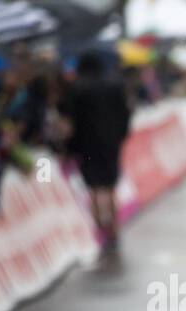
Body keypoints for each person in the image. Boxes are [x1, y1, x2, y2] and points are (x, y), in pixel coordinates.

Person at [62, 51, 131, 254]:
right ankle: (114, 227)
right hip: (111, 143)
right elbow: (125, 114)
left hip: (87, 146)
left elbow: (71, 121)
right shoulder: (115, 85)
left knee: (93, 186)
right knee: (110, 185)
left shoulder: (76, 88)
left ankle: (100, 226)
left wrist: (70, 147)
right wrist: (121, 135)